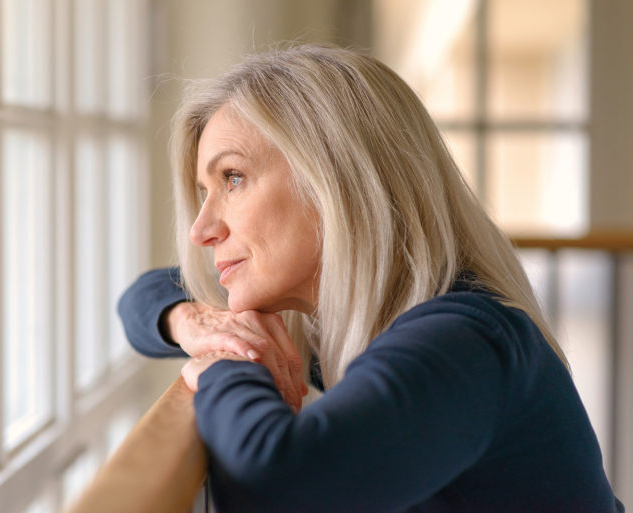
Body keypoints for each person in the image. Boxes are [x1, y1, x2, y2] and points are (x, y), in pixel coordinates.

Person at [117, 44, 624, 512]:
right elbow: (141, 299)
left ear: (337, 178)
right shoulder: (372, 320)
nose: (201, 230)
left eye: (232, 178)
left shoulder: (463, 339)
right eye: (206, 191)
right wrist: (192, 322)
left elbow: (279, 481)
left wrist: (229, 361)